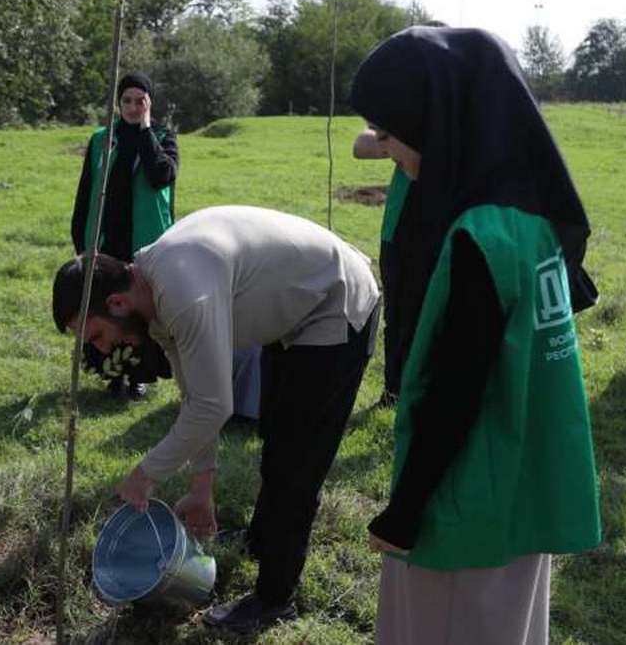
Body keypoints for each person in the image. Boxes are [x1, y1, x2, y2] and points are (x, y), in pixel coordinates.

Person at [350, 26, 602, 645]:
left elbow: (457, 388)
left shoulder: (477, 239)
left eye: (390, 134)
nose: (390, 152)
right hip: (524, 482)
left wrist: (404, 512)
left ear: (434, 121)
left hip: (464, 500)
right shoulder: (529, 219)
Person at [52, 205, 381, 634]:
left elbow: (213, 407)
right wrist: (200, 486)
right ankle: (262, 543)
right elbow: (196, 397)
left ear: (116, 303)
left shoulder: (181, 289)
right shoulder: (153, 295)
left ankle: (275, 598)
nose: (101, 350)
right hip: (293, 316)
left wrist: (144, 475)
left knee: (297, 463)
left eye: (96, 336)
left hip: (335, 302)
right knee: (278, 440)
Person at [70, 71, 178, 400]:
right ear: (118, 104)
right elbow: (87, 189)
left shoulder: (162, 136)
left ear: (149, 102)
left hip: (146, 241)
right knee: (108, 309)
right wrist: (80, 237)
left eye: (139, 101)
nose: (132, 107)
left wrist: (145, 129)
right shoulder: (102, 138)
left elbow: (163, 175)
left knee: (139, 311)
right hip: (108, 239)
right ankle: (112, 375)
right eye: (126, 101)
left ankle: (139, 377)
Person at [354, 128, 411, 406]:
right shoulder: (412, 122)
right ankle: (394, 394)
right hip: (399, 232)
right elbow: (362, 145)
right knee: (398, 318)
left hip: (444, 230)